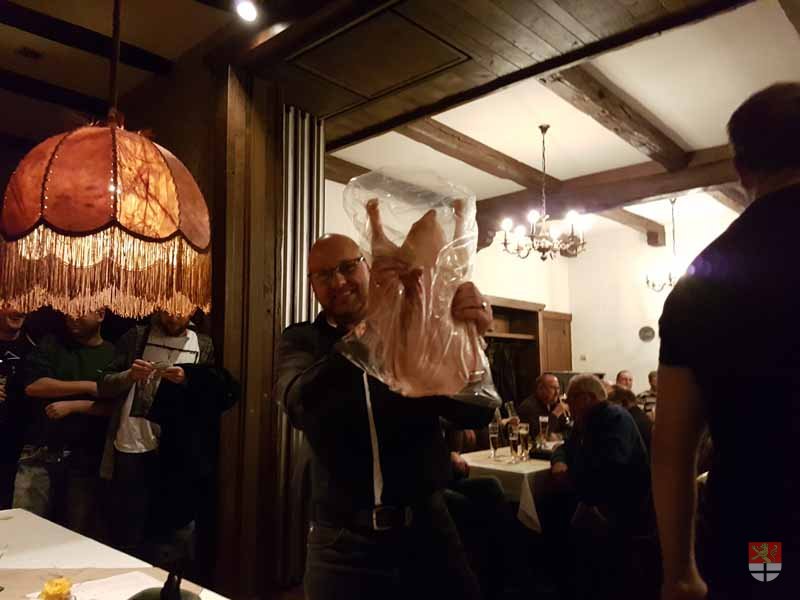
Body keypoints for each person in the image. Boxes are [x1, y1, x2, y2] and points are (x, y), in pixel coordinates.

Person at [274, 234, 498, 600]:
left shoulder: (414, 328)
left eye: (348, 267)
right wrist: (369, 334)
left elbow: (476, 411)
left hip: (428, 531)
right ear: (312, 286)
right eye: (324, 275)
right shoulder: (301, 341)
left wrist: (470, 339)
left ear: (366, 267)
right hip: (340, 545)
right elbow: (298, 403)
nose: (339, 281)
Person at [655, 83, 800, 600]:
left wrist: (679, 573)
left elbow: (672, 450)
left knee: (768, 584)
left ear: (741, 170)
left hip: (763, 532)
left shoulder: (700, 283)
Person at [96, 311, 216, 569]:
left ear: (192, 309)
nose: (173, 318)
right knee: (129, 524)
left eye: (180, 312)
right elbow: (103, 385)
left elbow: (210, 395)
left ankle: (171, 582)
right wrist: (130, 375)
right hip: (132, 441)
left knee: (175, 524)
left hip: (177, 447)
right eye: (167, 312)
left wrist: (188, 379)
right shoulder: (137, 336)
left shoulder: (203, 343)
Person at [14, 309, 114, 539]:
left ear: (100, 315)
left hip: (85, 457)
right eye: (69, 311)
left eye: (81, 312)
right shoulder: (52, 343)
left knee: (76, 536)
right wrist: (89, 386)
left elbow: (115, 406)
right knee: (23, 530)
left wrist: (75, 405)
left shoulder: (112, 353)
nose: (72, 316)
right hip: (40, 449)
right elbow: (34, 386)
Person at [0, 307, 35, 509]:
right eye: (11, 303)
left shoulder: (35, 348)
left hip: (18, 447)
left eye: (23, 304)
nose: (19, 310)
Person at [518, 373, 571, 439]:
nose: (557, 392)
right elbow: (538, 436)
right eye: (552, 388)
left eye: (558, 388)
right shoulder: (528, 407)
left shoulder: (557, 403)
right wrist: (555, 414)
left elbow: (570, 430)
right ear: (540, 389)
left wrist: (560, 436)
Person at [608, 386, 652, 453]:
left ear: (624, 403)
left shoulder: (625, 422)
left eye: (612, 406)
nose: (610, 411)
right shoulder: (643, 416)